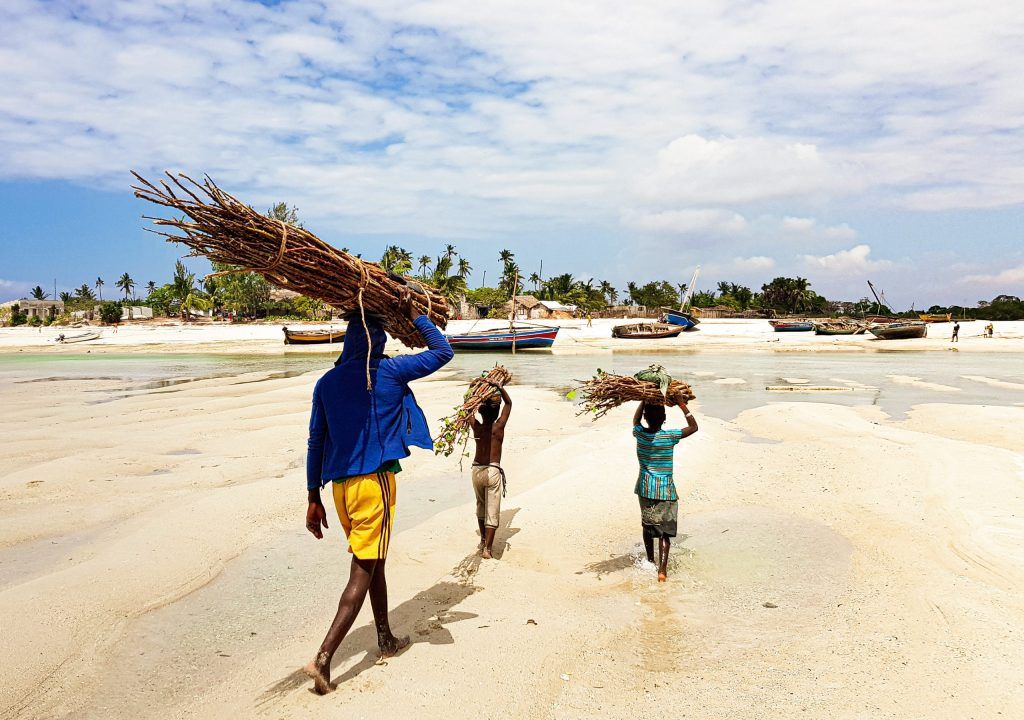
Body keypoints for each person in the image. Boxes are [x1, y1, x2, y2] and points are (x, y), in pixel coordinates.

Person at [302, 292, 453, 695]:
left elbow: (316, 441)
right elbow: (443, 351)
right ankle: (324, 658)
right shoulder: (388, 372)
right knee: (362, 571)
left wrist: (312, 497)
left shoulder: (326, 382)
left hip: (338, 489)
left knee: (374, 559)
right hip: (375, 485)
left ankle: (384, 637)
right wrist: (418, 316)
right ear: (378, 341)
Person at [632, 394, 698, 582]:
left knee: (648, 525)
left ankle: (650, 560)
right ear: (664, 419)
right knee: (664, 532)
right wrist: (681, 404)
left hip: (645, 488)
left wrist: (643, 400)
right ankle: (662, 571)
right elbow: (694, 427)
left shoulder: (640, 434)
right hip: (665, 490)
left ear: (646, 417)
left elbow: (635, 420)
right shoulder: (669, 436)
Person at [471, 382, 512, 559]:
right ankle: (487, 549)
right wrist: (499, 387)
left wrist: (473, 392)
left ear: (480, 411)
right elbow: (509, 404)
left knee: (481, 506)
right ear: (496, 412)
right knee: (492, 510)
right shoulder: (499, 427)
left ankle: (482, 540)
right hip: (493, 471)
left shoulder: (477, 427)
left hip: (477, 470)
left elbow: (466, 411)